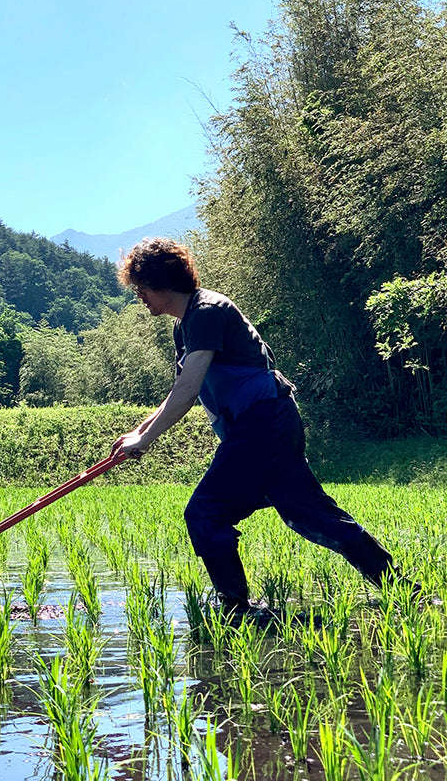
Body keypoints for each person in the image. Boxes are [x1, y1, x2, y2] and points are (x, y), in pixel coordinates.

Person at [114, 237, 400, 614]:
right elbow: (178, 391)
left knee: (205, 512)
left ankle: (236, 608)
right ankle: (402, 589)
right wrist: (138, 432)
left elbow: (188, 389)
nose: (141, 298)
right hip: (266, 425)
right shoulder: (185, 327)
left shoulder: (208, 310)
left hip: (263, 424)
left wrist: (146, 438)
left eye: (141, 289)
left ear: (161, 281)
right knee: (310, 515)